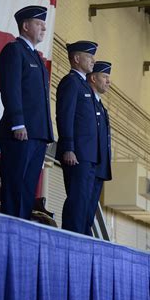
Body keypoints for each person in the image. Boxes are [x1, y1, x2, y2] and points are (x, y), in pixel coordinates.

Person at [0, 5, 54, 219]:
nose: (43, 29)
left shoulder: (36, 57)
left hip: (37, 133)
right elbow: (11, 88)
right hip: (20, 131)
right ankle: (12, 231)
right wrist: (18, 123)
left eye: (44, 26)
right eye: (39, 24)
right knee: (16, 186)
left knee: (28, 189)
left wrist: (47, 132)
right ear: (26, 26)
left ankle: (22, 230)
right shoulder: (14, 50)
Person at [56, 40, 99, 235]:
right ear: (76, 58)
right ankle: (72, 238)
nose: (92, 61)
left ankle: (81, 238)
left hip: (88, 156)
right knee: (77, 199)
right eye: (89, 57)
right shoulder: (71, 82)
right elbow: (65, 116)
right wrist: (68, 147)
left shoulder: (84, 85)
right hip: (77, 153)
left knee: (85, 202)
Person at [85, 61, 113, 235]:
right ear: (93, 78)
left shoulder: (100, 105)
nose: (108, 81)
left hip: (99, 163)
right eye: (105, 76)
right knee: (81, 204)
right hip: (89, 160)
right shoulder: (87, 99)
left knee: (89, 208)